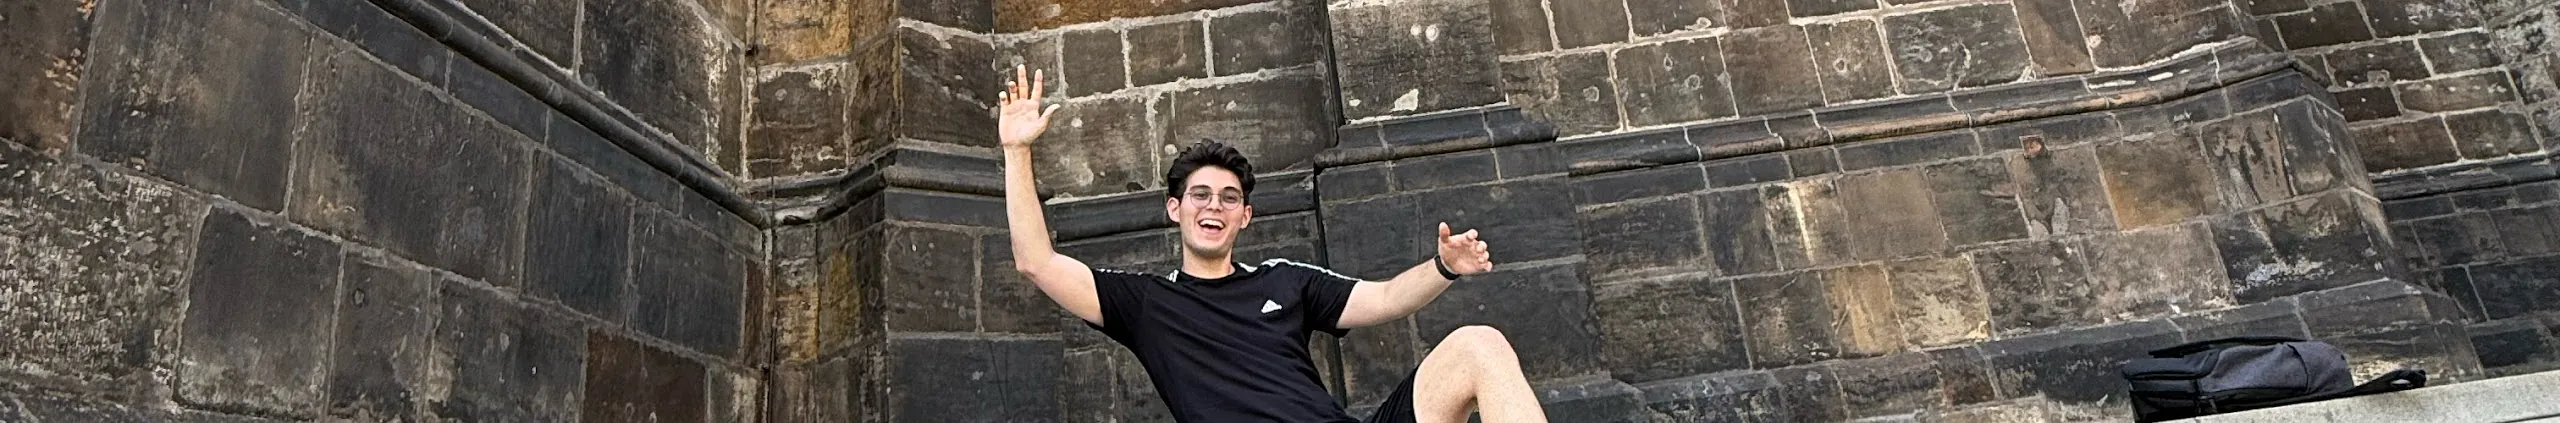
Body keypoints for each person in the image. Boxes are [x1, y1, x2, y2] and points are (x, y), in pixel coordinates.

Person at [995, 64, 1551, 423]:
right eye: (1200, 196)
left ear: (1245, 217)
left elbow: (1384, 298)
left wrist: (1444, 266)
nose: (1213, 207)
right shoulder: (1144, 303)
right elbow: (1036, 261)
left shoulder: (1286, 281)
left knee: (1479, 344)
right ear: (1175, 209)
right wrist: (1017, 151)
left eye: (1228, 199)